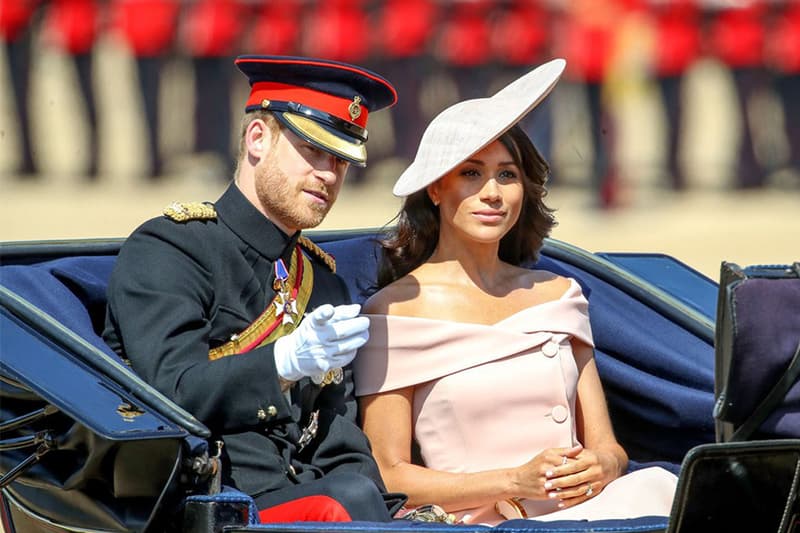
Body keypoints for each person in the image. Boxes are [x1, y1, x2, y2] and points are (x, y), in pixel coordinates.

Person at [353, 59, 678, 526]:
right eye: (471, 173)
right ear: (436, 191)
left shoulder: (559, 294)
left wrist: (604, 465)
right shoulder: (396, 309)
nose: (493, 192)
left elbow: (607, 447)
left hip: (591, 512)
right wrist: (512, 482)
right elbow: (388, 474)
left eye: (507, 175)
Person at [102, 55, 404, 523]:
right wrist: (282, 364)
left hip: (312, 504)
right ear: (257, 139)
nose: (328, 175)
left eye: (341, 160)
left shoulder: (322, 282)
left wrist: (389, 516)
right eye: (314, 151)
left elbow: (339, 441)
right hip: (208, 505)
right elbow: (169, 392)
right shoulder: (172, 248)